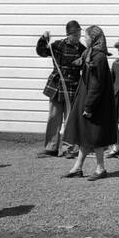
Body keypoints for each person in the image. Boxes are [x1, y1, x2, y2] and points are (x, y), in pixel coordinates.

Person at [63, 25, 117, 179]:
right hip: (86, 99)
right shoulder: (89, 53)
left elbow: (97, 84)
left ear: (93, 38)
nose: (84, 39)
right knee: (85, 135)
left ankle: (101, 169)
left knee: (95, 136)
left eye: (86, 36)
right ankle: (77, 167)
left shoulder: (98, 57)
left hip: (95, 103)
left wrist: (89, 106)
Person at [36, 21, 85, 158]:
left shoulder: (82, 50)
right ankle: (51, 148)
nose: (78, 36)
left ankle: (69, 148)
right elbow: (42, 52)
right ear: (68, 34)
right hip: (57, 87)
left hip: (72, 87)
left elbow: (85, 69)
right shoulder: (57, 45)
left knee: (69, 119)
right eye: (75, 34)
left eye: (79, 33)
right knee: (53, 117)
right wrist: (43, 40)